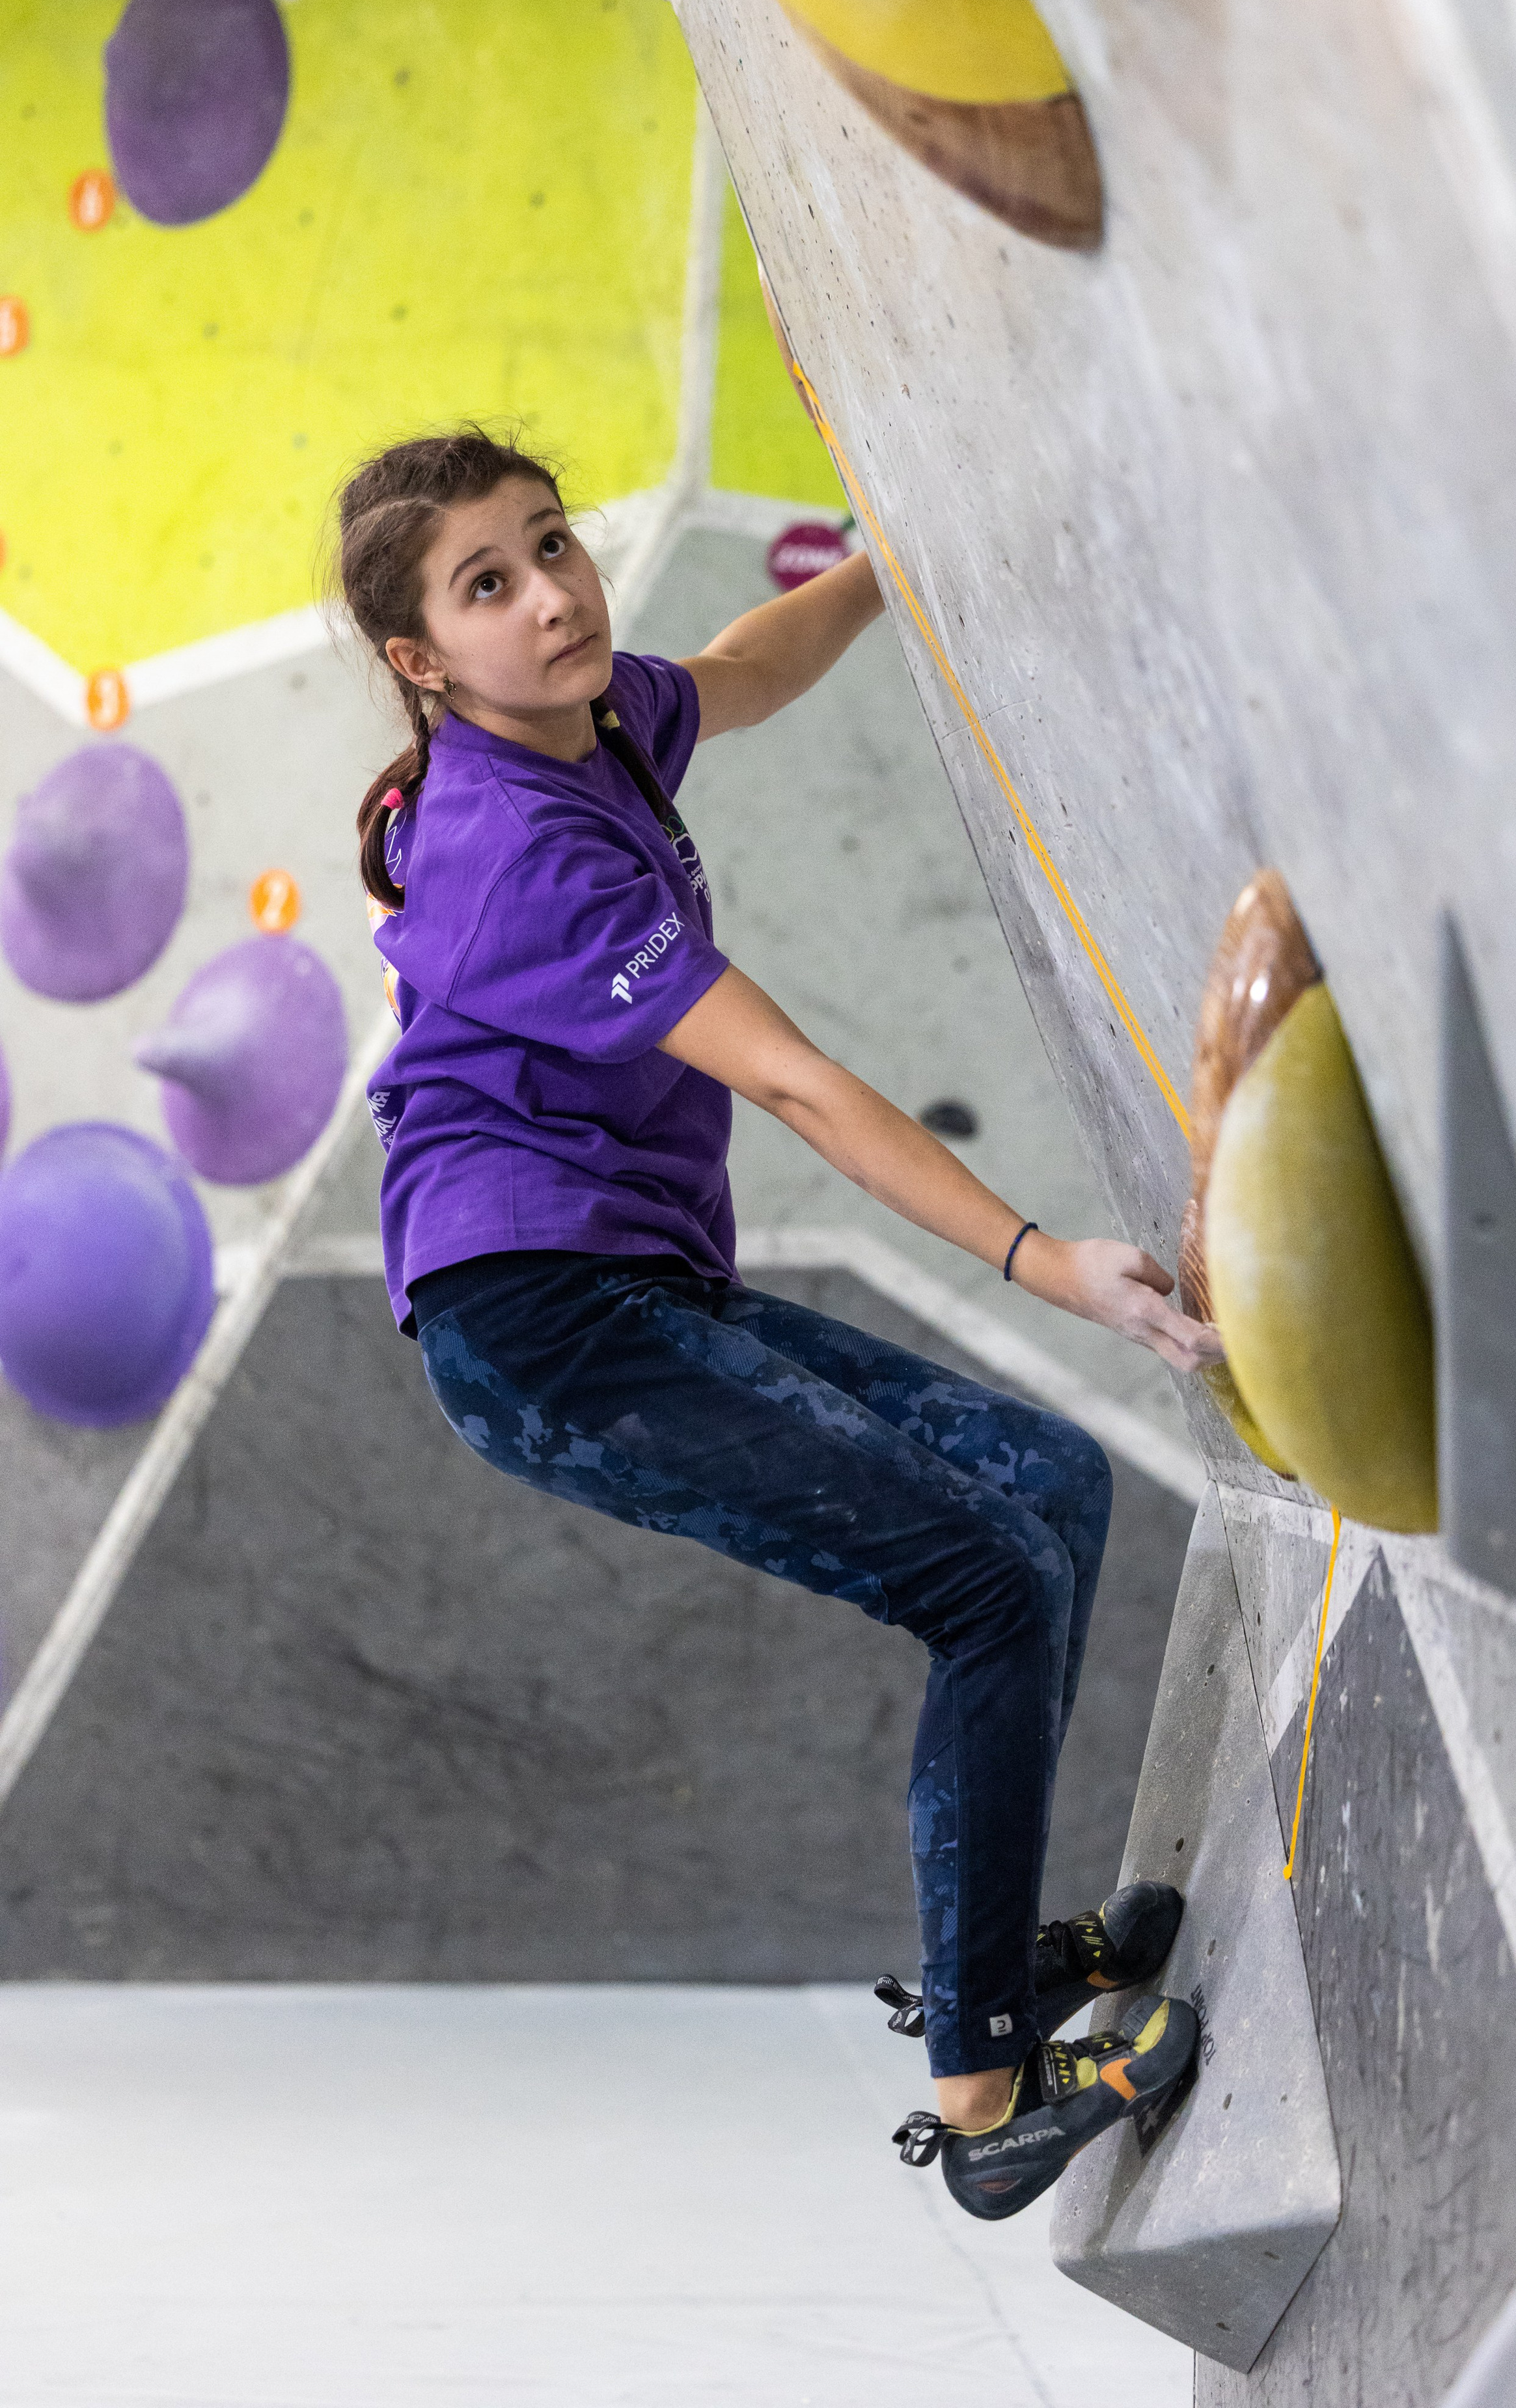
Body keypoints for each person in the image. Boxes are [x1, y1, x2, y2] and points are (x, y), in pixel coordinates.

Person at [335, 426, 1220, 2219]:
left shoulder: (590, 726)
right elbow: (802, 1085)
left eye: (552, 546)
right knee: (982, 1575)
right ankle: (982, 2103)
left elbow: (746, 667)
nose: (553, 597)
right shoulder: (519, 855)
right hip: (539, 1320)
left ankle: (1000, 1955)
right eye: (487, 587)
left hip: (627, 1280)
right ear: (422, 663)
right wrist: (1040, 1256)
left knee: (1044, 1486)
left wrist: (892, 560)